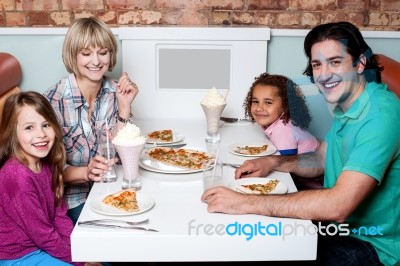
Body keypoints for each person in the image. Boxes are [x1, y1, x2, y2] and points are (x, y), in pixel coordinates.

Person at [202, 21, 400, 265]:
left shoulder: (380, 116)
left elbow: (338, 206)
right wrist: (274, 162)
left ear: (360, 63)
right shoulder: (350, 102)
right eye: (317, 64)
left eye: (335, 62)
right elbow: (321, 158)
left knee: (252, 246)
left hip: (371, 245)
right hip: (338, 229)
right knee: (242, 241)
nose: (324, 74)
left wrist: (244, 201)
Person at [43, 17, 139, 224]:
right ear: (73, 56)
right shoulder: (52, 101)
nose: (96, 61)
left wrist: (125, 107)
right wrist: (86, 172)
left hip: (113, 190)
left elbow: (124, 157)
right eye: (86, 54)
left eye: (102, 53)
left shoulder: (116, 92)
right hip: (73, 201)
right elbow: (46, 171)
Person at [0, 91, 86, 265]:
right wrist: (79, 262)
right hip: (20, 255)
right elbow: (42, 235)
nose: (41, 134)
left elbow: (59, 215)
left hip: (43, 244)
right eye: (29, 127)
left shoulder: (46, 164)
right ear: (13, 132)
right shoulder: (17, 176)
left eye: (46, 125)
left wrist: (79, 251)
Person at [243, 72, 319, 155]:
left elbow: (287, 163)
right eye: (255, 101)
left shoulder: (283, 129)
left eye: (268, 102)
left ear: (285, 105)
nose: (259, 108)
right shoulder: (270, 122)